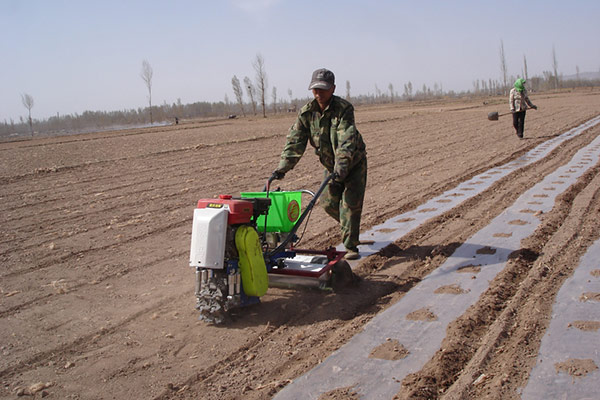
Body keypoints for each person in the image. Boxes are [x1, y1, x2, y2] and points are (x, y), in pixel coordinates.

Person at [271, 68, 367, 260]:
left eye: (323, 89)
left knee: (350, 205)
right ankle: (350, 226)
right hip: (331, 166)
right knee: (328, 203)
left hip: (353, 164)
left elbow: (346, 139)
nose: (318, 93)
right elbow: (295, 141)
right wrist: (282, 168)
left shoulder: (344, 109)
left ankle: (351, 246)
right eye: (315, 89)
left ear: (333, 88)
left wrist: (342, 166)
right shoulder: (307, 113)